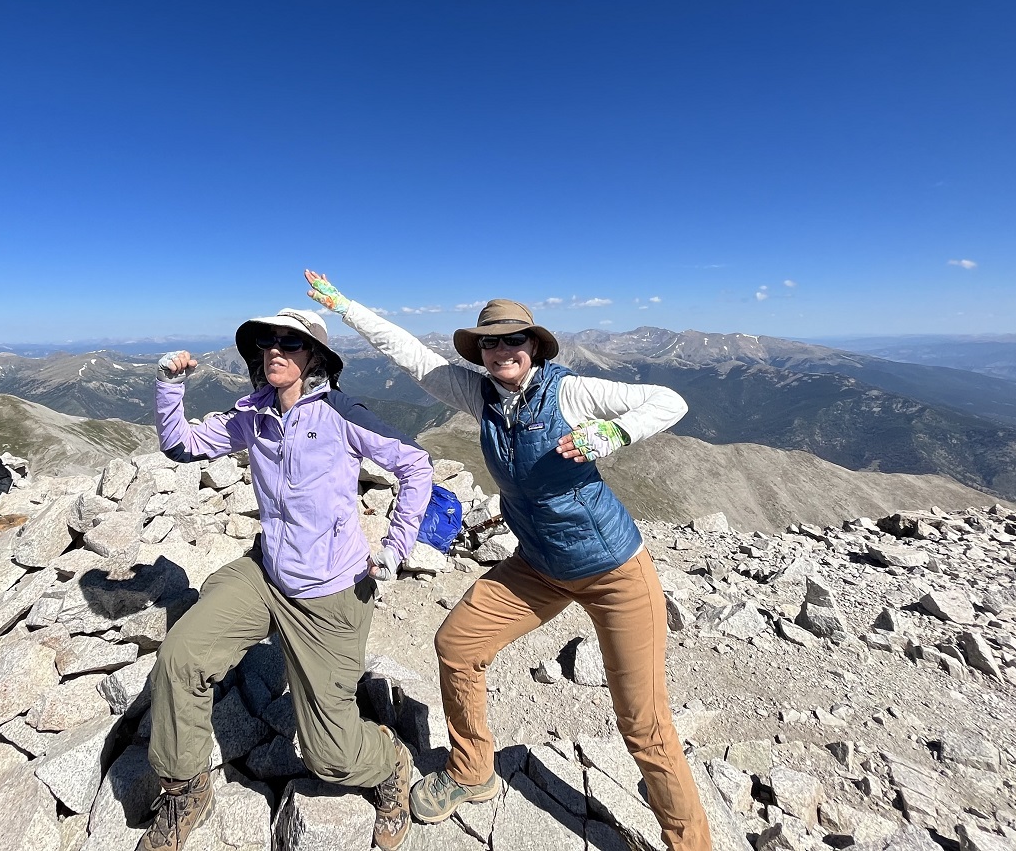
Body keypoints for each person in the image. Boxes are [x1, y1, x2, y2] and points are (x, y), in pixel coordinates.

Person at [304, 272, 712, 851]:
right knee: (458, 646)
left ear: (535, 346)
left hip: (616, 572)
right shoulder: (480, 396)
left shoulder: (569, 393)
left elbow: (670, 401)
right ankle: (473, 771)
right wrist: (347, 308)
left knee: (642, 724)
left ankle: (690, 843)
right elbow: (411, 357)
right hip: (538, 566)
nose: (502, 350)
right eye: (490, 342)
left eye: (513, 340)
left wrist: (610, 434)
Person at [142, 307, 434, 851]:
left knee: (331, 758)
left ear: (314, 357)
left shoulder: (341, 413)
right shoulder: (253, 415)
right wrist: (169, 384)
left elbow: (417, 464)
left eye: (290, 343)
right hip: (266, 573)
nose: (275, 350)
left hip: (331, 594)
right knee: (181, 656)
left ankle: (390, 760)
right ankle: (185, 790)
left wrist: (396, 546)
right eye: (266, 343)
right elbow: (179, 446)